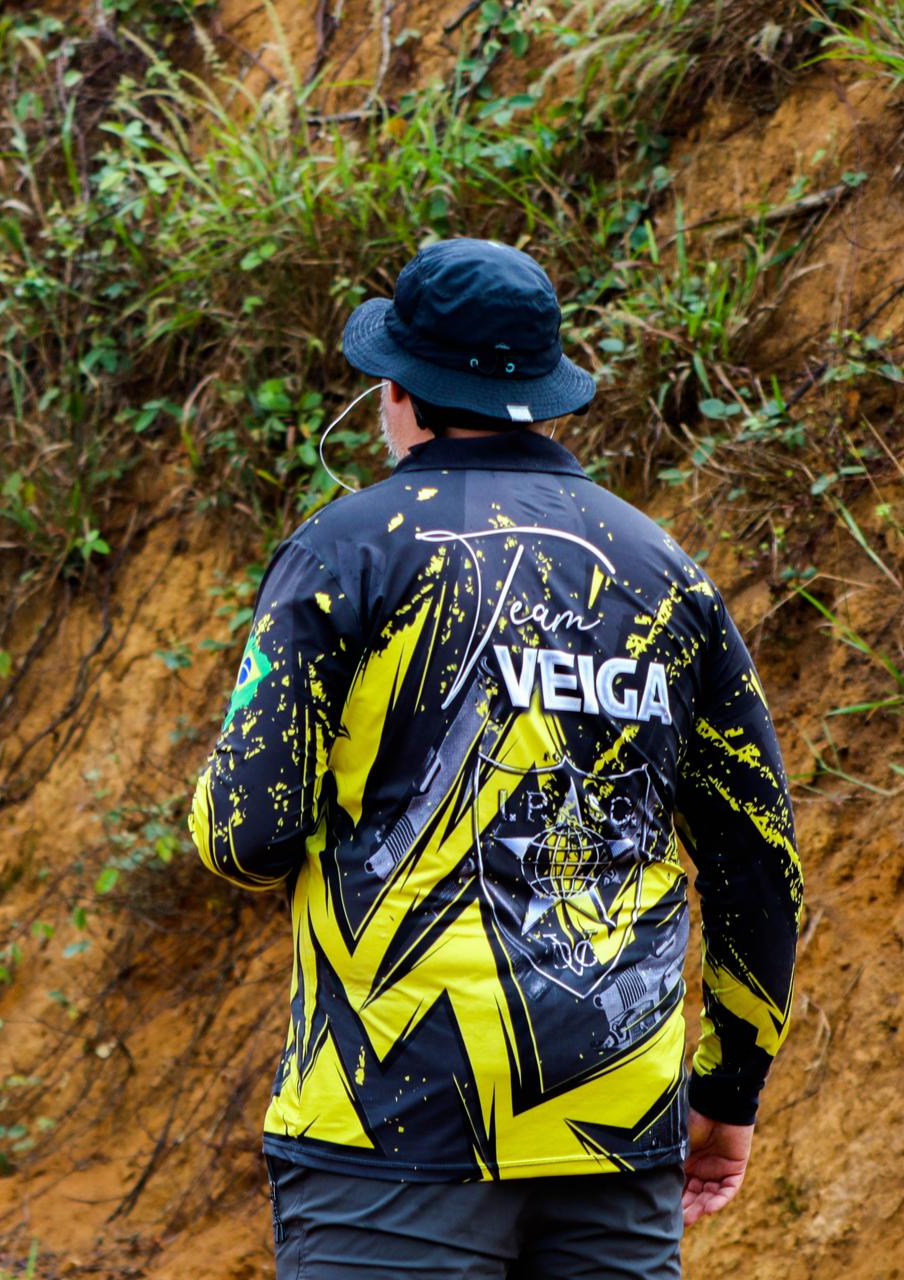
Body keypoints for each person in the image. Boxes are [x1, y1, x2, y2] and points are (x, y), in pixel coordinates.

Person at [190, 239, 802, 1278]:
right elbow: (758, 858)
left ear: (399, 393)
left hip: (388, 1124)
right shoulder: (665, 571)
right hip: (617, 1128)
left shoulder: (348, 549)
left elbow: (246, 836)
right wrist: (729, 1090)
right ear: (546, 395)